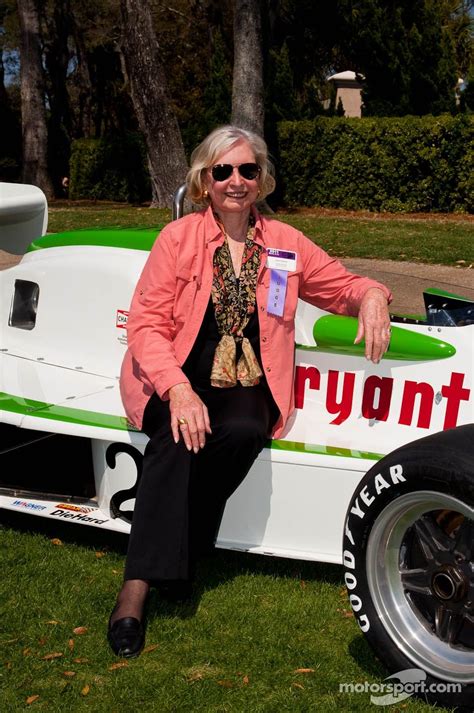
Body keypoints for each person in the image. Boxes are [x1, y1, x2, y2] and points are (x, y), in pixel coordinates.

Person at [108, 125, 392, 658]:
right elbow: (145, 325)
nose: (236, 181)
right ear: (204, 182)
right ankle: (135, 591)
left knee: (242, 428)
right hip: (174, 369)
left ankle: (179, 550)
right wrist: (177, 391)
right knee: (175, 437)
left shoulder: (286, 242)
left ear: (261, 179)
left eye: (247, 170)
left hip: (247, 380)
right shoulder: (179, 239)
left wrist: (374, 296)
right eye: (223, 171)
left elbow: (341, 285)